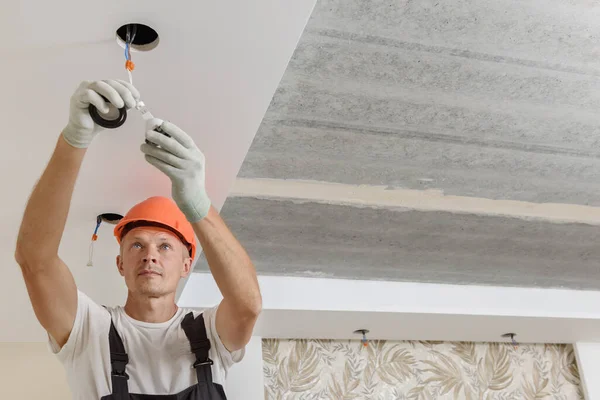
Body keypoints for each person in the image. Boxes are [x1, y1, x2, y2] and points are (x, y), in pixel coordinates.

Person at [14, 79, 262, 399]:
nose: (150, 255)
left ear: (187, 264)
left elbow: (248, 305)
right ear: (120, 264)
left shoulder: (211, 334)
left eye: (164, 246)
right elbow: (35, 260)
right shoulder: (89, 331)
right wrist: (74, 140)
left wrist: (198, 202)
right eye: (137, 245)